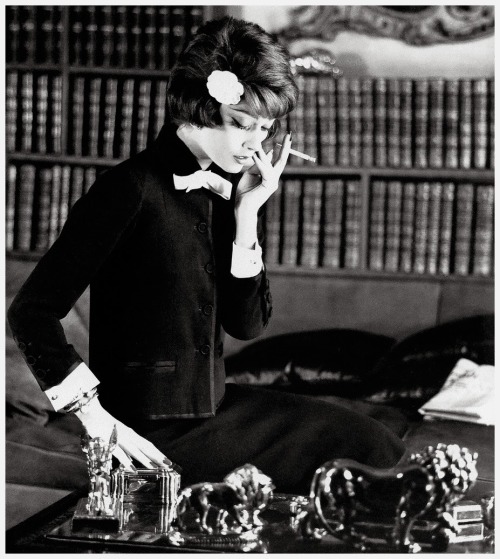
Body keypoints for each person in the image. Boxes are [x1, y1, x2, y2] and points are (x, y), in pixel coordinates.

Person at [8, 16, 406, 495]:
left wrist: (247, 215)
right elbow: (32, 312)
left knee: (370, 442)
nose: (255, 143)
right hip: (147, 433)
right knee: (358, 457)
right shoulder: (127, 189)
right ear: (196, 108)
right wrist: (94, 419)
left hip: (212, 411)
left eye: (265, 129)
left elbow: (248, 326)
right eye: (242, 125)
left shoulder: (229, 190)